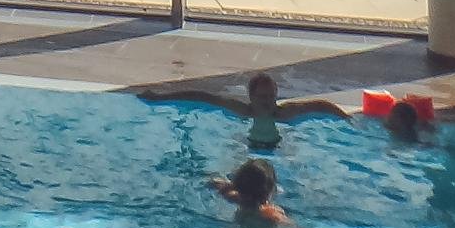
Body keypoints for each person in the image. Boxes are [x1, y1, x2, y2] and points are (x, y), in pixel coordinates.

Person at [147, 72, 346, 151]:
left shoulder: (286, 113)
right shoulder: (243, 111)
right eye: (262, 97)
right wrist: (160, 98)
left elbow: (320, 105)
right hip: (247, 146)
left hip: (279, 147)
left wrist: (346, 117)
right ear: (251, 97)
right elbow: (202, 97)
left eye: (270, 96)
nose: (267, 101)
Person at [212, 158, 289, 228]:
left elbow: (214, 182)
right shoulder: (271, 213)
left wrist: (231, 185)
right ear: (271, 190)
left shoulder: (233, 197)